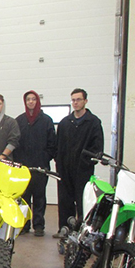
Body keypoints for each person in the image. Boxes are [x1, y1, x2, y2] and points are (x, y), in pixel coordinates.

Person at [54, 88, 104, 238]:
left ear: (85, 101)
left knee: (84, 202)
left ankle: (83, 231)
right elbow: (58, 146)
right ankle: (65, 229)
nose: (75, 103)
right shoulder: (65, 123)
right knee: (65, 201)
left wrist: (86, 162)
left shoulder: (93, 123)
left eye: (78, 100)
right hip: (65, 169)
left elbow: (97, 148)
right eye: (73, 100)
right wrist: (59, 163)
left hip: (83, 170)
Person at [13, 90, 57, 237]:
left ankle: (38, 226)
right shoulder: (19, 121)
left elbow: (52, 144)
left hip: (40, 167)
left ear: (38, 101)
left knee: (39, 197)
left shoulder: (46, 121)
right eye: (28, 99)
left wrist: (44, 158)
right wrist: (18, 163)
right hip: (23, 168)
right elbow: (15, 143)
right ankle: (24, 225)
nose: (31, 102)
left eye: (33, 99)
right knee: (24, 198)